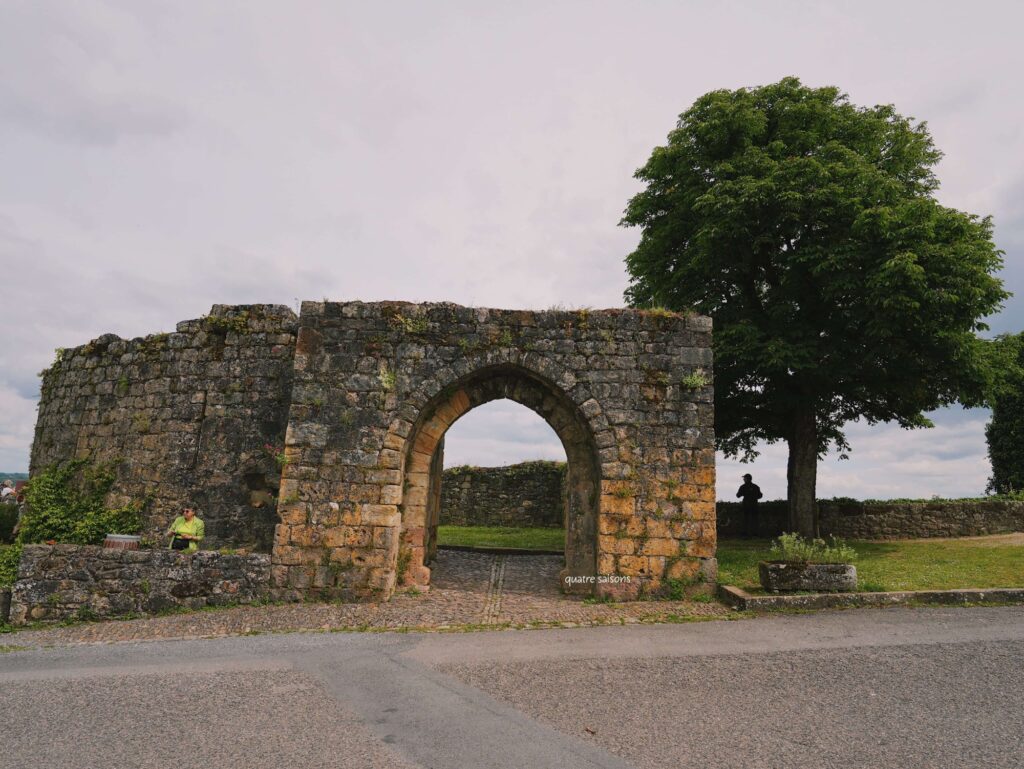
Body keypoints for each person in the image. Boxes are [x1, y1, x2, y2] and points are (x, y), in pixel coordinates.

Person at [735, 473, 763, 538]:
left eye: (744, 478)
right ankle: (754, 534)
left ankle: (745, 534)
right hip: (754, 505)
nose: (743, 479)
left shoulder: (743, 487)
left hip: (746, 506)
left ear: (747, 479)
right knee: (754, 520)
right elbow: (760, 495)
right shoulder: (755, 486)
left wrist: (745, 494)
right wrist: (754, 497)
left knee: (745, 520)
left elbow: (738, 495)